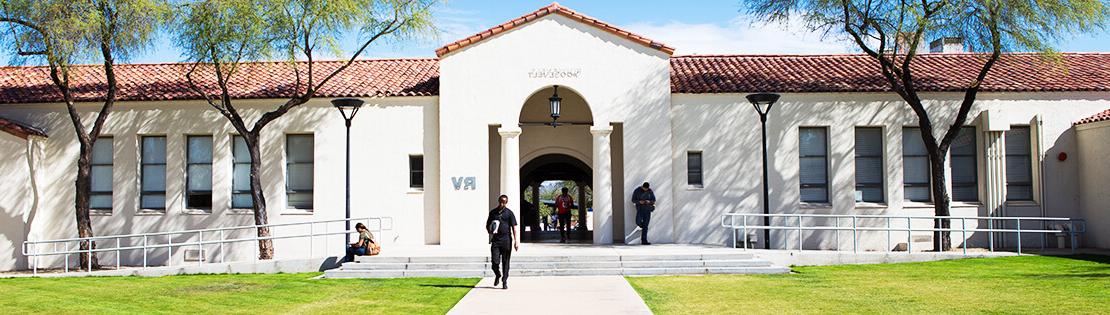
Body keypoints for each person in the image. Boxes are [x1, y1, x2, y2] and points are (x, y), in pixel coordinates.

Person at [486, 194, 519, 289]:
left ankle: (504, 281)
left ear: (506, 202)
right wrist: (490, 230)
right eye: (501, 201)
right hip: (496, 241)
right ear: (498, 201)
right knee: (494, 262)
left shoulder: (509, 213)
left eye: (504, 202)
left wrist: (516, 242)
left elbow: (514, 228)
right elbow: (487, 225)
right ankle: (498, 274)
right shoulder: (493, 213)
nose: (502, 203)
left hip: (506, 240)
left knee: (506, 262)